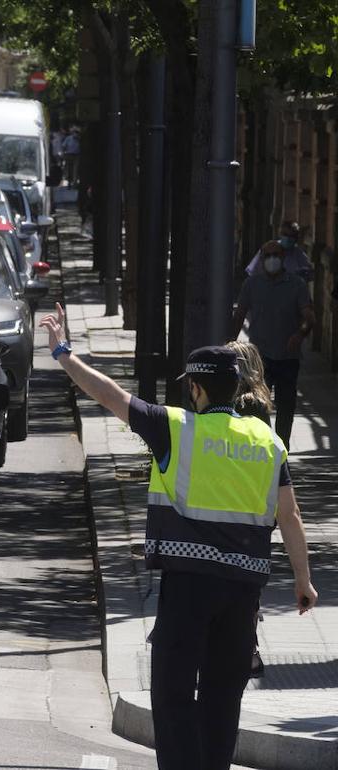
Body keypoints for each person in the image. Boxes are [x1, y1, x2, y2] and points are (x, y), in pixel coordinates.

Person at [42, 305, 316, 770]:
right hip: (243, 592)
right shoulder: (267, 442)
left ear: (195, 387)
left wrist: (65, 354)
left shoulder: (177, 427)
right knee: (222, 697)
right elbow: (289, 515)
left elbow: (109, 395)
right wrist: (303, 581)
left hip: (188, 587)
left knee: (172, 694)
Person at [231, 240, 316, 447]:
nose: (272, 259)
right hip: (259, 360)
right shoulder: (252, 284)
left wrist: (300, 334)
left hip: (288, 357)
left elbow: (309, 316)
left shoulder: (296, 284)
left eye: (276, 255)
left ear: (283, 257)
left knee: (286, 406)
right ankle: (263, 444)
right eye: (267, 255)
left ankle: (282, 446)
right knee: (257, 404)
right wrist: (231, 343)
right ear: (262, 258)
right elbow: (239, 314)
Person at [227, 339, 274, 679]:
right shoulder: (258, 404)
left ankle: (245, 649)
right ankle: (246, 649)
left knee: (236, 581)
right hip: (254, 506)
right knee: (247, 581)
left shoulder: (244, 404)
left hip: (235, 501)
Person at [245, 220, 313, 281]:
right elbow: (253, 273)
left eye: (292, 236)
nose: (288, 238)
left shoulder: (298, 253)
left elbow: (309, 274)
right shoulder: (268, 249)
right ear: (280, 234)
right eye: (285, 235)